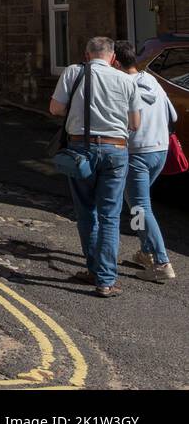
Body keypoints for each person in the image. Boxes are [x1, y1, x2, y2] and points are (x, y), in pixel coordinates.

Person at [49, 36, 141, 297]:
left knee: (86, 211)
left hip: (81, 149)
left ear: (87, 55)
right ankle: (106, 280)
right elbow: (135, 124)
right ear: (113, 58)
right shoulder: (126, 79)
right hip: (116, 150)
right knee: (110, 216)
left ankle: (93, 269)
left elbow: (55, 108)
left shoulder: (73, 72)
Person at [114, 40, 177, 283]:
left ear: (116, 62)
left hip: (137, 153)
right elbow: (173, 115)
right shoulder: (153, 81)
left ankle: (161, 262)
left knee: (140, 207)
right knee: (139, 205)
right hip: (159, 151)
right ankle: (146, 252)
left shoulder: (121, 86)